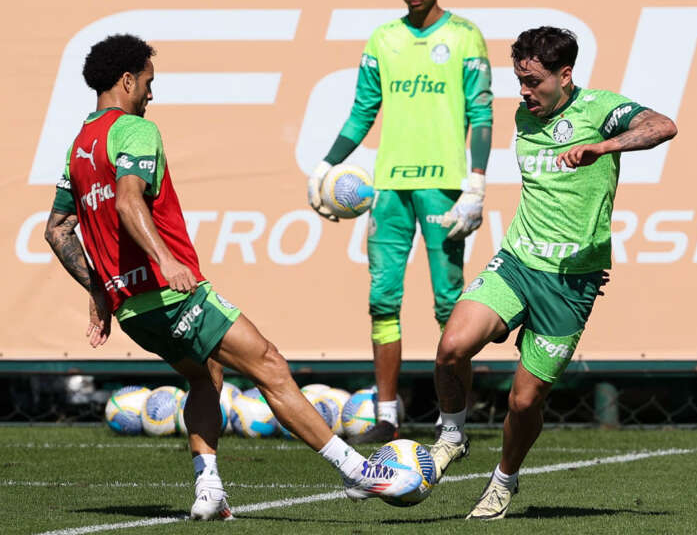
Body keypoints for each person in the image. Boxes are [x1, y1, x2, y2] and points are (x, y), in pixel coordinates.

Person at [44, 34, 422, 521]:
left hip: (134, 310)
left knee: (208, 377)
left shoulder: (79, 146)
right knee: (269, 364)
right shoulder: (134, 130)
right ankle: (359, 472)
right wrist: (165, 259)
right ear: (127, 80)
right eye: (149, 83)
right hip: (171, 295)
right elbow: (127, 200)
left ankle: (209, 489)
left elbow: (56, 230)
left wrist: (98, 289)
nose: (151, 95)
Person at [426, 26, 678, 519]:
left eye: (534, 81)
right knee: (452, 345)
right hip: (518, 262)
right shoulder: (527, 113)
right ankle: (452, 435)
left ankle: (504, 480)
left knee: (524, 403)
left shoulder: (601, 110)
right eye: (519, 79)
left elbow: (664, 126)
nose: (523, 92)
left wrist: (604, 148)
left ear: (565, 76)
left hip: (570, 282)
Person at [306, 0, 494, 444]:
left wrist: (476, 183)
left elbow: (482, 114)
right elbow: (362, 112)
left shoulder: (465, 36)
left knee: (449, 306)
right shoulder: (383, 39)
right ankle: (387, 416)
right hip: (388, 191)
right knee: (382, 300)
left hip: (444, 189)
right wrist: (326, 165)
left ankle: (453, 423)